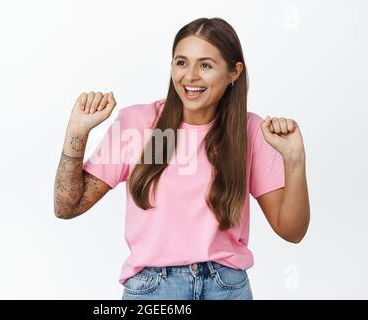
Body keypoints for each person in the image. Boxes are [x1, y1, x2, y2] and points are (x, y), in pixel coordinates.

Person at [53, 17, 310, 300]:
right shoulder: (138, 124)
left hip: (227, 288)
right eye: (181, 62)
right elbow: (67, 207)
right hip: (153, 291)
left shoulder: (250, 131)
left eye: (206, 65)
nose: (190, 76)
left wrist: (294, 159)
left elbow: (292, 231)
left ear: (234, 72)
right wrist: (77, 132)